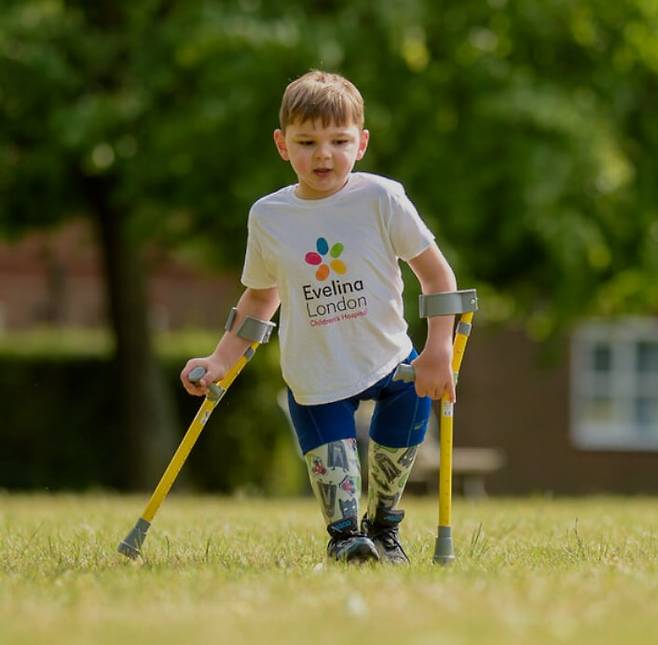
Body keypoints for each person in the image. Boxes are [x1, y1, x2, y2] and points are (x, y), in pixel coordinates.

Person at [181, 70, 457, 565]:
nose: (323, 154)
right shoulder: (269, 216)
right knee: (336, 475)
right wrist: (221, 359)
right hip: (316, 372)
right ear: (282, 144)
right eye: (306, 141)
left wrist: (438, 350)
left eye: (339, 140)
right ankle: (348, 539)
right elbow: (260, 298)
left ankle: (386, 527)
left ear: (363, 143)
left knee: (408, 412)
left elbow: (438, 278)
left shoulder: (382, 198)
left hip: (389, 357)